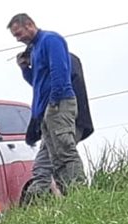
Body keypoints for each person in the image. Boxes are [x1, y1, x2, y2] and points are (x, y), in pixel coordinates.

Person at [9, 13, 87, 196]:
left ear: (29, 25)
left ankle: (80, 193)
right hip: (45, 110)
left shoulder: (51, 40)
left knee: (65, 151)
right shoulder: (35, 49)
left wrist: (55, 101)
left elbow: (60, 71)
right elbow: (37, 82)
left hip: (58, 104)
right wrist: (25, 69)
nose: (18, 39)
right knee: (55, 157)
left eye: (19, 34)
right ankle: (69, 195)